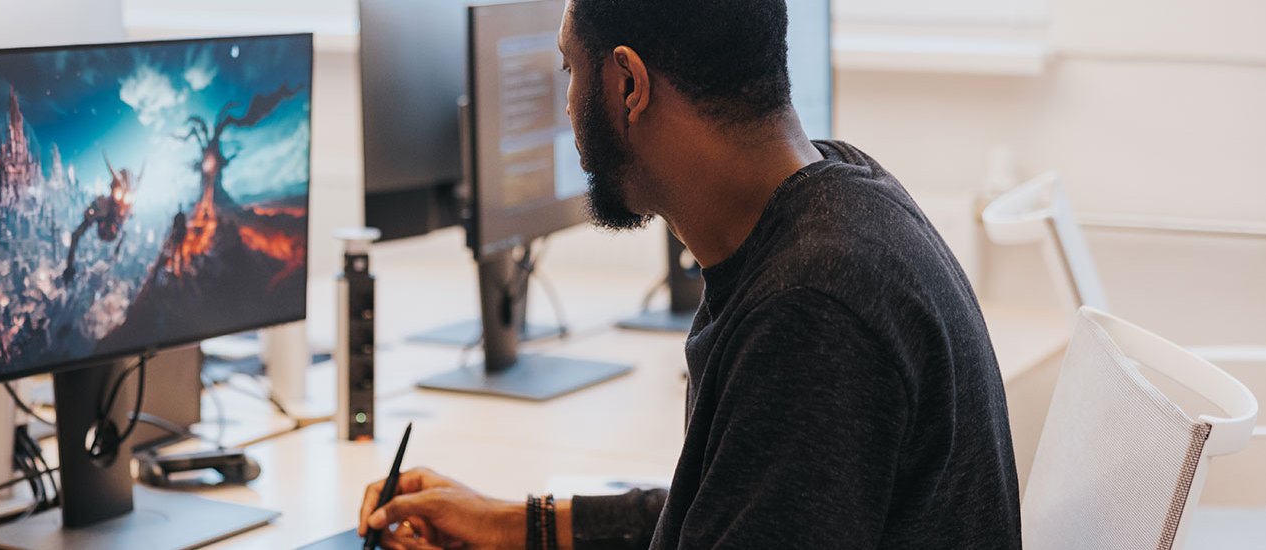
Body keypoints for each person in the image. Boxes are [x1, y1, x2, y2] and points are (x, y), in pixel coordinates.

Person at [357, 0, 1023, 548]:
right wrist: (514, 523)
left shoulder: (813, 307)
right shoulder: (836, 196)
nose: (565, 105)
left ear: (628, 85)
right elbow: (729, 502)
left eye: (568, 70)